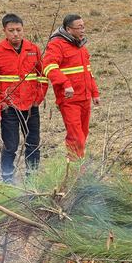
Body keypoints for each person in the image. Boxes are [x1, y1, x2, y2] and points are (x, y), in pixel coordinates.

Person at [0, 13, 48, 183]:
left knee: (33, 143)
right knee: (10, 146)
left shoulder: (33, 49)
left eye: (18, 30)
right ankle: (7, 179)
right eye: (11, 30)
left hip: (30, 106)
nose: (15, 34)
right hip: (9, 107)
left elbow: (42, 75)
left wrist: (38, 98)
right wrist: (0, 105)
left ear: (23, 30)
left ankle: (32, 178)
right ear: (4, 31)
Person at [42, 14, 99, 158]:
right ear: (68, 29)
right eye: (79, 27)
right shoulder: (56, 45)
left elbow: (88, 72)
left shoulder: (81, 47)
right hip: (69, 100)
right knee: (76, 137)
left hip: (85, 98)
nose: (82, 30)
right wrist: (65, 83)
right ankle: (74, 170)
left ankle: (78, 164)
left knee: (83, 135)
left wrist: (95, 93)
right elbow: (48, 67)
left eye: (83, 26)